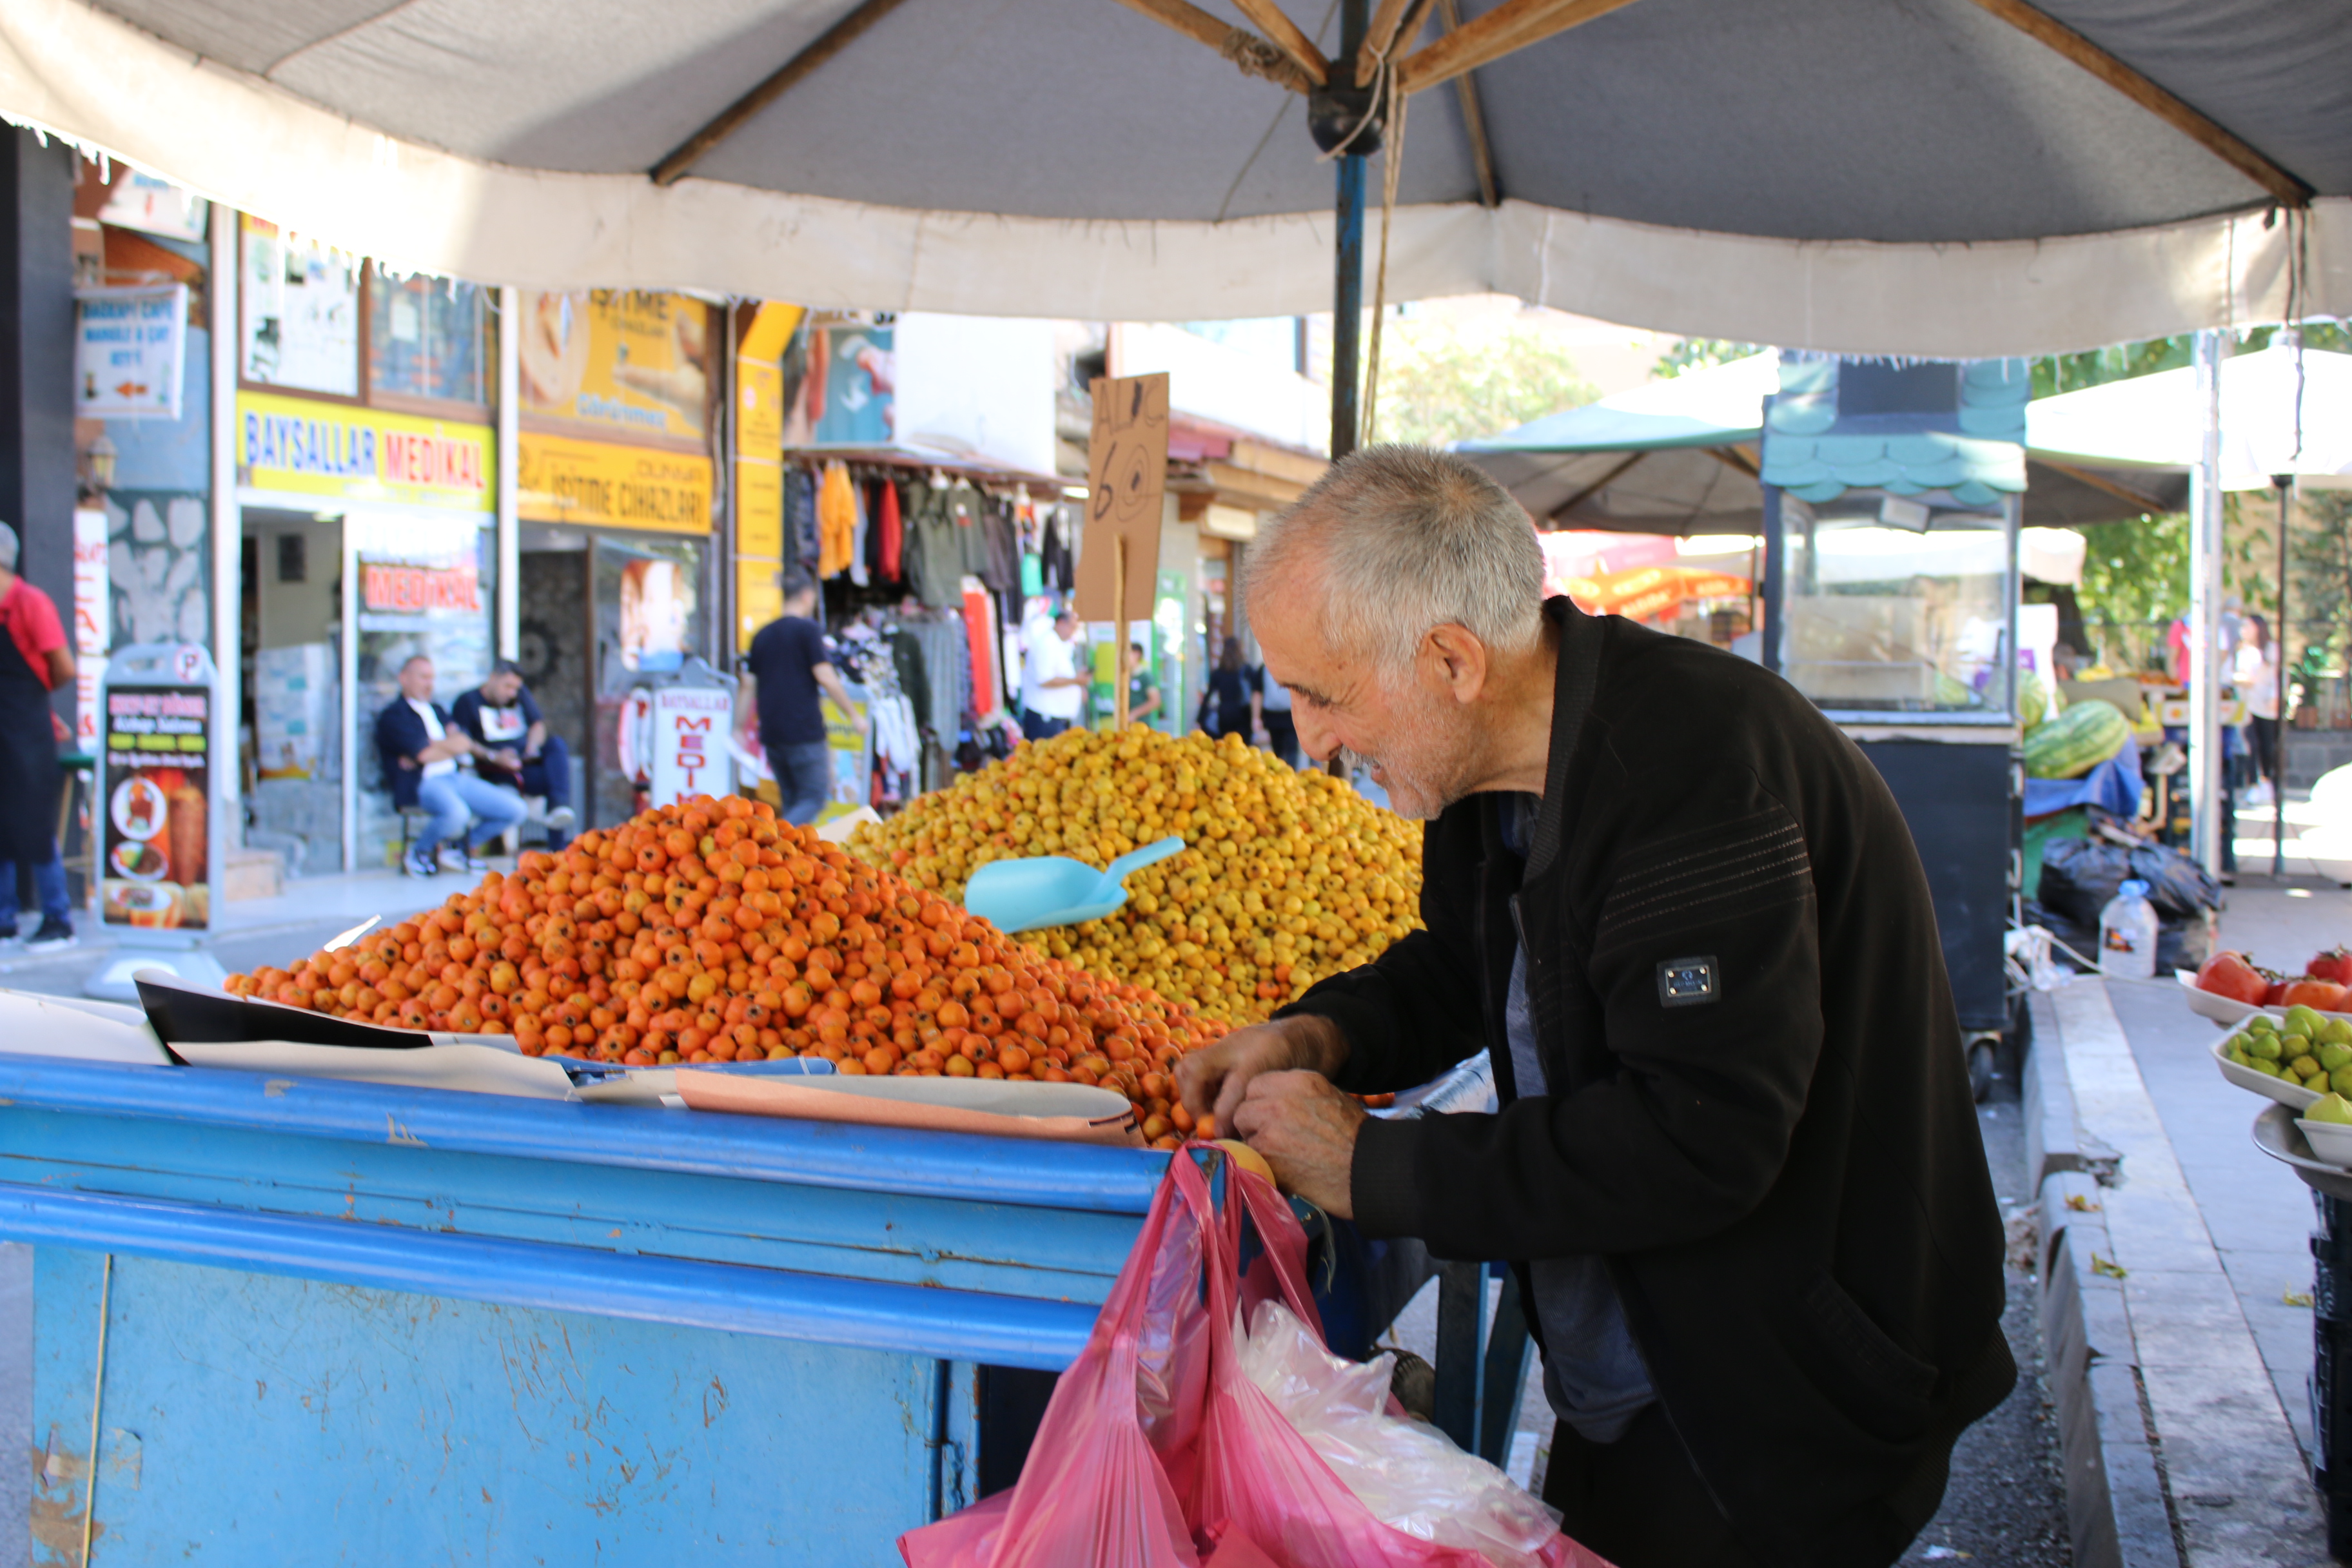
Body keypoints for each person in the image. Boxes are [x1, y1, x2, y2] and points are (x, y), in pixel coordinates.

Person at [1177, 447, 2012, 1568]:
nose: (1310, 738)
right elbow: (1457, 965)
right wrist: (1315, 1032)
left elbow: (1697, 1134)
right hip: (1646, 1364)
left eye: (1320, 694)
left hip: (1784, 1388)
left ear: (1449, 660)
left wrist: (1377, 1164)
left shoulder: (1693, 782)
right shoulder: (1487, 766)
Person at [375, 656, 528, 877]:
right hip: (422, 783)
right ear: (403, 679)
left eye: (432, 678)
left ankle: (457, 849)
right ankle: (418, 852)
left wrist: (433, 746)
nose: (429, 684)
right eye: (423, 677)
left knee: (516, 810)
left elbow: (464, 742)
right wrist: (442, 748)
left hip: (453, 777)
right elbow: (424, 755)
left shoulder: (437, 709)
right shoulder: (394, 715)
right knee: (457, 814)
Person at [0, 523, 75, 950]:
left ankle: (58, 918)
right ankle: (4, 920)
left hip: (27, 730)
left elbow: (63, 667)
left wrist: (36, 707)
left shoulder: (30, 603)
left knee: (34, 823)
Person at [738, 579, 858, 825]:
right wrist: (853, 714)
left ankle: (787, 857)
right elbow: (825, 675)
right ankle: (773, 838)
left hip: (772, 734)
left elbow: (748, 685)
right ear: (807, 596)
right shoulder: (807, 630)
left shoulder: (762, 635)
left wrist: (738, 726)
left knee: (793, 801)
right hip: (803, 730)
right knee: (814, 798)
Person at [450, 660, 578, 847]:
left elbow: (538, 725)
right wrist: (494, 757)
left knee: (556, 744)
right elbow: (464, 742)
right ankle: (558, 840)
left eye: (516, 688)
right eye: (507, 686)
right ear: (493, 678)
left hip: (526, 760)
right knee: (555, 781)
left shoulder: (519, 695)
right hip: (498, 769)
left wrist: (532, 747)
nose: (512, 693)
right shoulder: (467, 702)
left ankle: (558, 810)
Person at [1019, 608, 1085, 741]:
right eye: (1072, 627)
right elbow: (1045, 680)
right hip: (1046, 718)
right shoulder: (1047, 644)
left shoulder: (1057, 642)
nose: (1073, 632)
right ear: (1060, 623)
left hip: (1054, 717)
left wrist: (1078, 684)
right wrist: (1076, 681)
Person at [2237, 613, 2280, 807]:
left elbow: (2278, 676)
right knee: (2250, 745)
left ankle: (2267, 780)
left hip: (2267, 705)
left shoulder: (2271, 649)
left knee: (2267, 747)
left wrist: (2275, 696)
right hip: (2248, 705)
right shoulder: (2243, 652)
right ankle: (2253, 783)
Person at [1195, 635, 1251, 740]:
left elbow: (1208, 696)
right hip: (1243, 713)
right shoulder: (1246, 671)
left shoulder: (1218, 673)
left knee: (1226, 745)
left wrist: (1200, 719)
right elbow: (1255, 693)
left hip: (1224, 712)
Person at [1252, 658, 1299, 766]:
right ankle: (1290, 775)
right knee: (1291, 751)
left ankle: (1282, 774)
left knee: (1279, 752)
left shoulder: (1264, 668)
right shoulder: (1294, 667)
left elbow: (1257, 694)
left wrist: (1256, 718)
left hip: (1272, 716)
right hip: (1290, 716)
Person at [1125, 642, 1162, 726]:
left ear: (1137, 655)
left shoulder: (1146, 677)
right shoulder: (1127, 677)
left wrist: (1134, 714)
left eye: (1128, 654)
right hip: (1128, 726)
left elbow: (1155, 701)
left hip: (1142, 727)